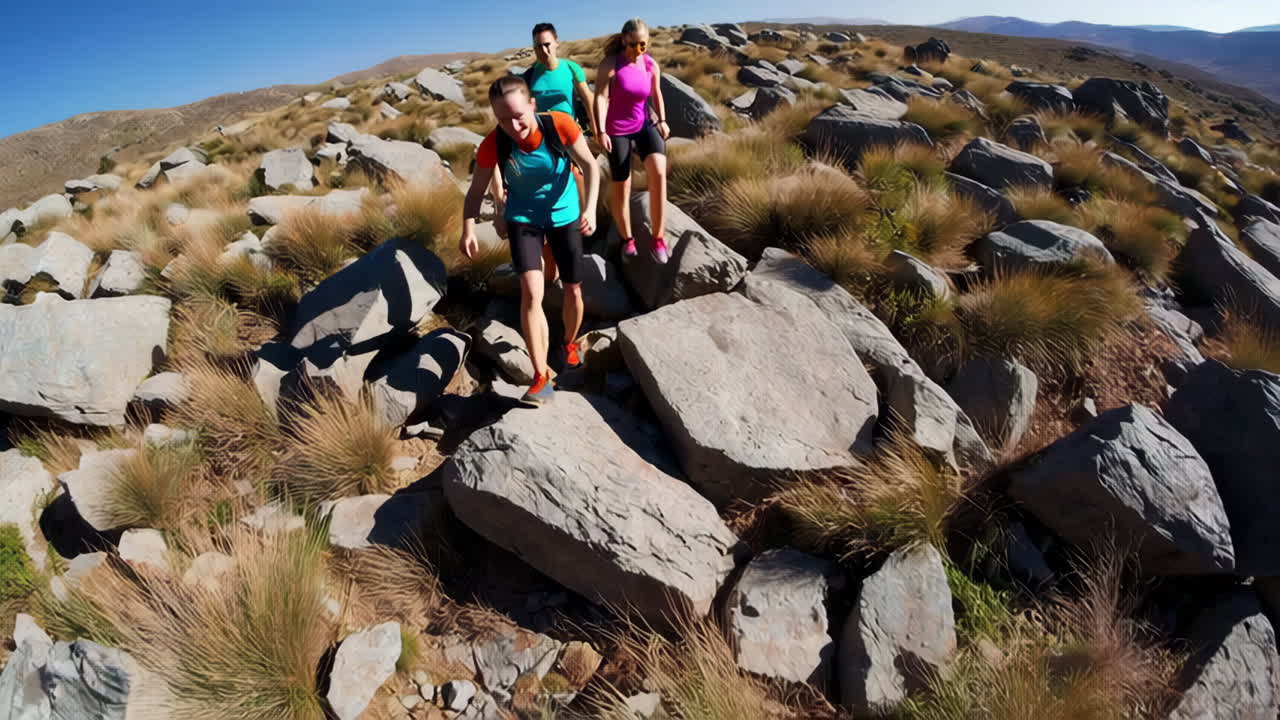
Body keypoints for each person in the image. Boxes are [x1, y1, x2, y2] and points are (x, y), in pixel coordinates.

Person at [460, 75, 600, 407]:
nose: (513, 126)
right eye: (503, 119)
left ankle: (569, 343)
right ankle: (541, 377)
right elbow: (475, 192)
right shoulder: (494, 143)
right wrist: (468, 229)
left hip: (564, 214)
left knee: (573, 288)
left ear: (533, 105)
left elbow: (590, 166)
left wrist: (591, 208)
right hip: (524, 218)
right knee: (531, 292)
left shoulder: (559, 125)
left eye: (518, 116)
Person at [595, 17, 671, 263]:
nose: (638, 50)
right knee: (622, 185)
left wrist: (662, 120)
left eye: (643, 45)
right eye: (633, 44)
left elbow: (656, 93)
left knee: (658, 172)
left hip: (644, 124)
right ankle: (627, 239)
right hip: (617, 129)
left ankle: (658, 238)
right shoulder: (610, 64)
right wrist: (601, 131)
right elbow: (600, 97)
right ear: (623, 40)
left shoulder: (649, 64)